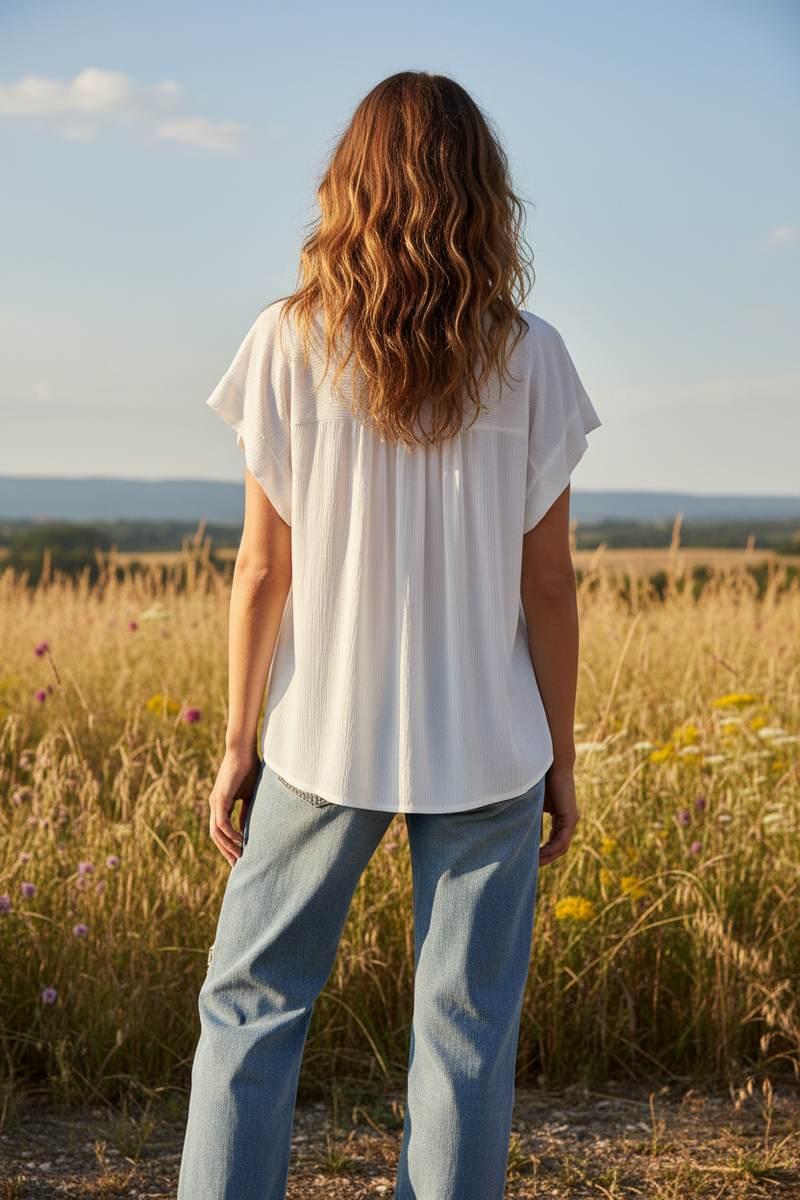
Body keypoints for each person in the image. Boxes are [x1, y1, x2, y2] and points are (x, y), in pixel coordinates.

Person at [177, 70, 600, 1200]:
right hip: (491, 747)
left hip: (320, 736)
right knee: (466, 1032)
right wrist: (561, 754)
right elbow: (548, 587)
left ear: (349, 186)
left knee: (251, 1006)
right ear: (483, 195)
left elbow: (262, 570)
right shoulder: (533, 356)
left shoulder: (285, 341)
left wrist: (237, 743)